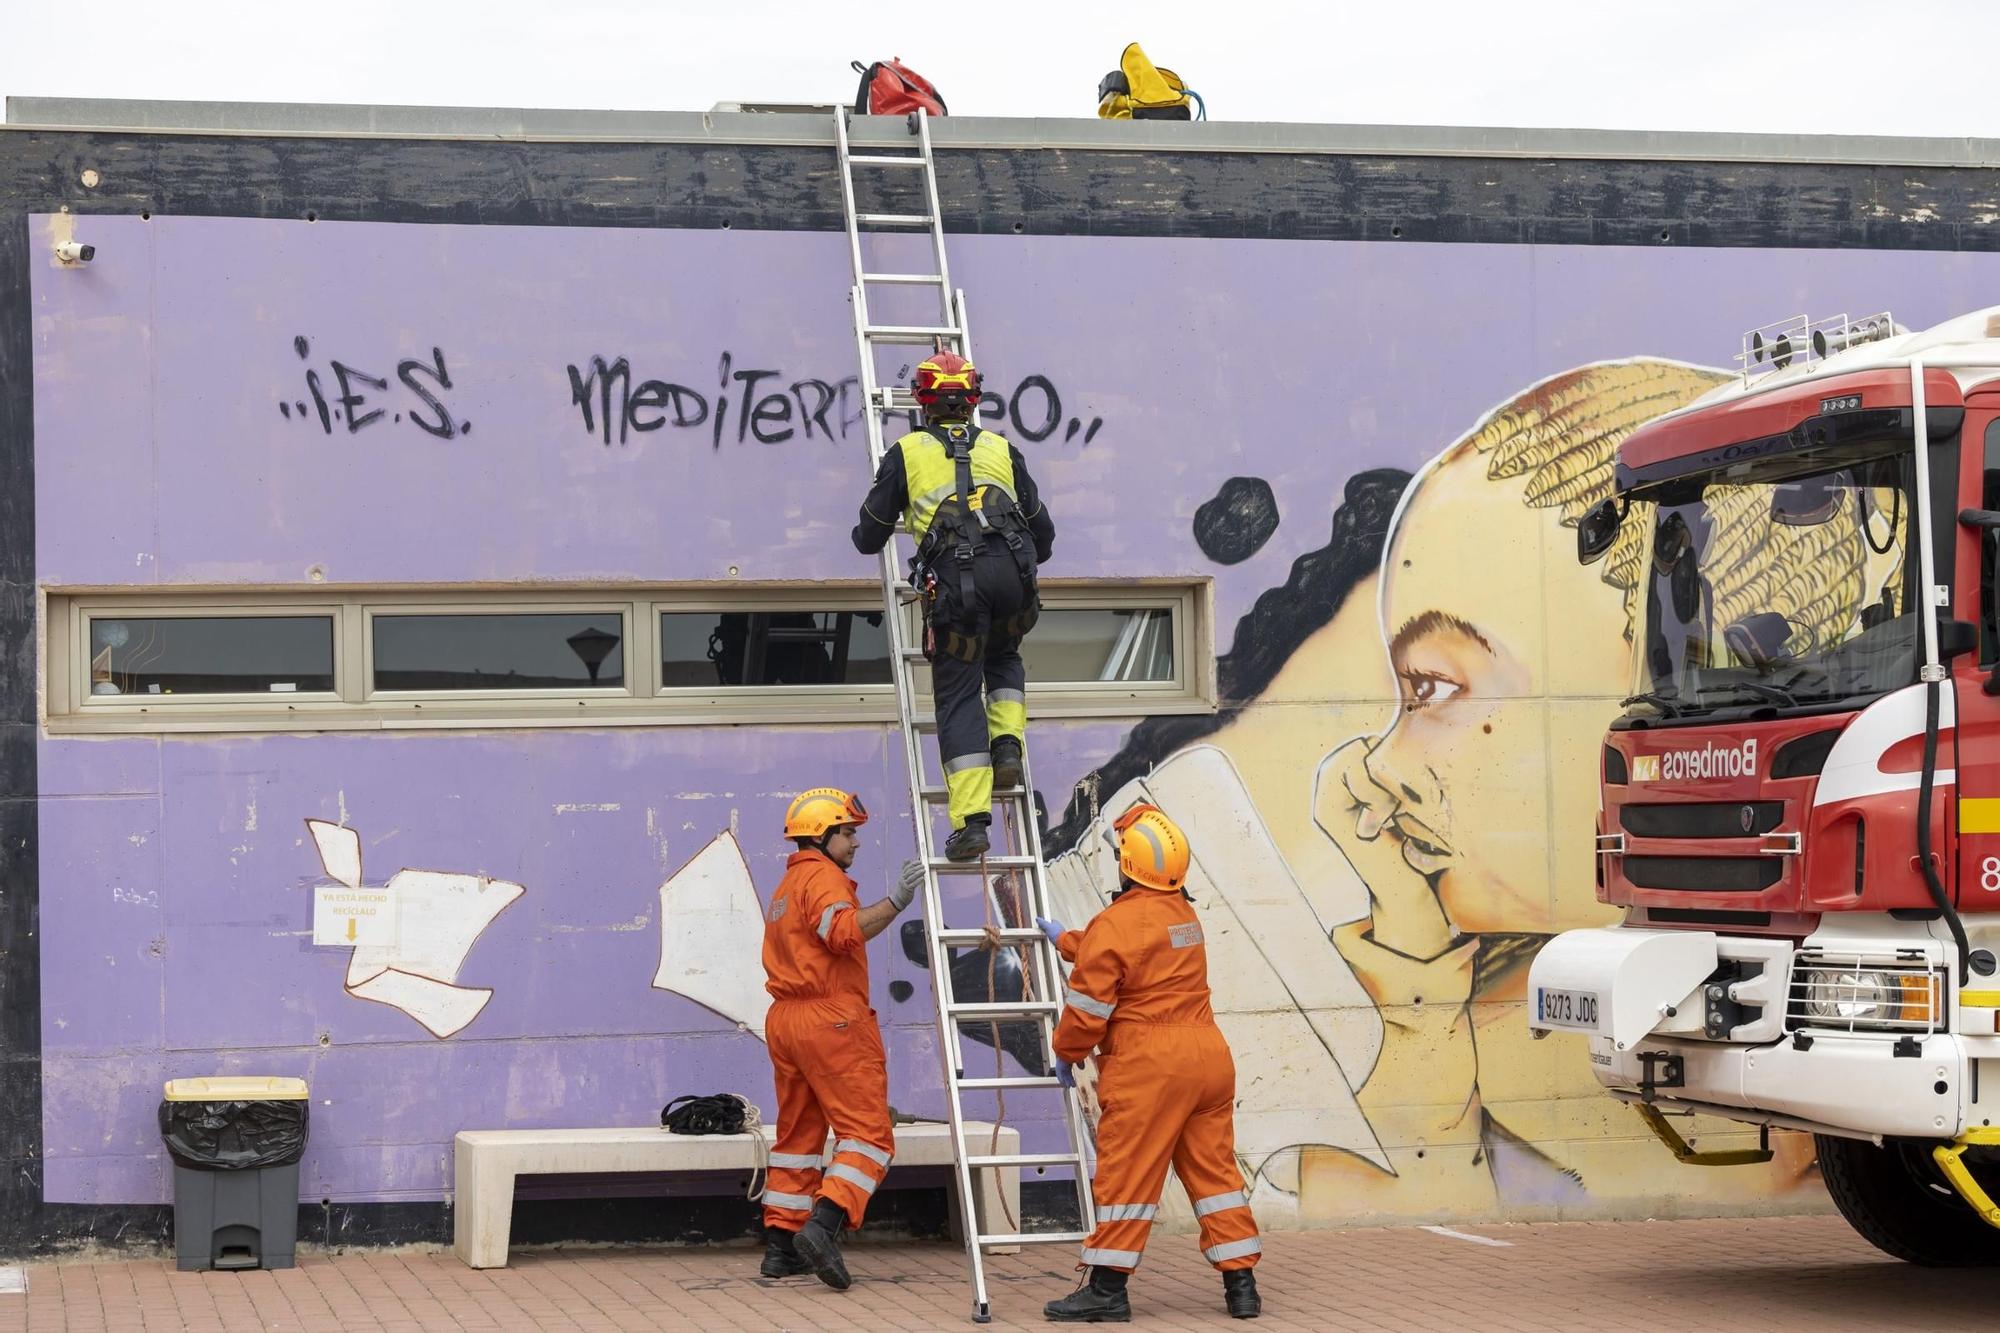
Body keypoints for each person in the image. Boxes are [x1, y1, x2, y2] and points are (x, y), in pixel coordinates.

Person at [1036, 803, 1262, 1322]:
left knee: (1127, 1177)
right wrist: (1067, 940)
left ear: (1127, 865)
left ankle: (1107, 1290)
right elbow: (1133, 952)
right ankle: (1241, 1286)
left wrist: (1066, 1054)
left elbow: (1090, 1005)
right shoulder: (1185, 915)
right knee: (1215, 1175)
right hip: (1207, 1057)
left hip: (1149, 1065)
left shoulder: (1119, 922)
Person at [853, 350, 1056, 861]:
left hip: (958, 588)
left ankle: (972, 823)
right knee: (1005, 653)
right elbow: (1044, 533)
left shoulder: (907, 451)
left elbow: (868, 537)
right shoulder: (1002, 449)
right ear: (972, 401)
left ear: (923, 402)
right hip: (1013, 579)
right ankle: (1007, 745)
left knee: (961, 692)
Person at [758, 787, 925, 1290]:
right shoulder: (825, 878)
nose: (855, 842)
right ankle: (824, 1226)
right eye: (848, 832)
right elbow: (845, 932)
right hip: (831, 1019)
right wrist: (897, 900)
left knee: (798, 1138)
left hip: (786, 1021)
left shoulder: (787, 885)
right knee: (870, 1135)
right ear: (822, 835)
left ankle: (781, 1248)